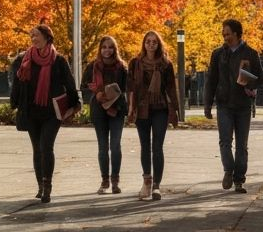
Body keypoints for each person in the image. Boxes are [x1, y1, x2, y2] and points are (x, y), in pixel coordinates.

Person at [11, 22, 79, 204]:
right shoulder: (23, 59)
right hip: (31, 111)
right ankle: (40, 185)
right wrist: (15, 103)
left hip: (52, 112)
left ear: (47, 37)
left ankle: (47, 186)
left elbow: (70, 84)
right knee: (37, 148)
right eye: (31, 36)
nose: (33, 39)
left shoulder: (59, 60)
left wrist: (75, 105)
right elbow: (17, 83)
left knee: (46, 146)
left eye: (36, 35)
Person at [203, 19, 263, 193]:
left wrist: (249, 84)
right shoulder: (218, 54)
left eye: (228, 33)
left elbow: (261, 78)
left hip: (243, 105)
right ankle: (228, 170)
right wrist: (208, 104)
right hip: (224, 104)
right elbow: (211, 80)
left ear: (237, 34)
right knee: (224, 141)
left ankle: (239, 180)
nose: (225, 36)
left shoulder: (251, 53)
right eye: (223, 33)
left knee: (242, 145)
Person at [127, 30, 179, 201]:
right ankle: (147, 182)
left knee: (157, 146)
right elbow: (131, 88)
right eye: (148, 41)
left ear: (158, 44)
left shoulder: (166, 64)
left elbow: (171, 88)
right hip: (142, 109)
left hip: (160, 109)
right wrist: (131, 109)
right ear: (144, 43)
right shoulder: (135, 63)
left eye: (154, 42)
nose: (150, 44)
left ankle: (157, 186)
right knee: (145, 146)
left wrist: (175, 110)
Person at [82, 35, 128, 194]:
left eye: (110, 47)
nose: (107, 50)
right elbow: (84, 88)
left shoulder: (122, 67)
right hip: (99, 110)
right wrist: (96, 95)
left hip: (117, 110)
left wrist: (115, 95)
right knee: (103, 146)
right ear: (100, 49)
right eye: (104, 47)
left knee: (115, 145)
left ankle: (115, 180)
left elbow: (128, 89)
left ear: (115, 49)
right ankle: (104, 181)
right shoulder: (92, 67)